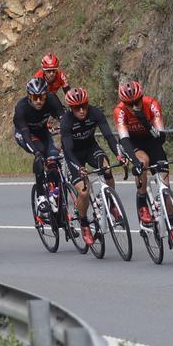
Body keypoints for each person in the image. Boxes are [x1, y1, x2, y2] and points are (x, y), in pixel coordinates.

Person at [112, 80, 173, 245]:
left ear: (142, 97)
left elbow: (161, 138)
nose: (134, 106)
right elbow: (124, 141)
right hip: (134, 144)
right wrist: (135, 163)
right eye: (129, 103)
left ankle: (172, 227)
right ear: (123, 103)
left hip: (152, 142)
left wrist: (144, 120)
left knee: (165, 187)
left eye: (137, 101)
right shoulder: (119, 111)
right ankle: (142, 202)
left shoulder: (152, 104)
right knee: (144, 162)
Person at [60, 87, 126, 246]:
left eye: (84, 106)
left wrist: (119, 154)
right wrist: (78, 167)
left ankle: (110, 205)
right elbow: (68, 150)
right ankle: (84, 224)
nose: (82, 110)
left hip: (91, 148)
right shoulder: (66, 121)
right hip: (74, 155)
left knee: (107, 168)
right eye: (77, 108)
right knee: (83, 192)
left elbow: (109, 136)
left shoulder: (95, 113)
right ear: (71, 108)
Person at [12, 77, 66, 218]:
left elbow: (65, 120)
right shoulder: (21, 108)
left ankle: (59, 210)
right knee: (40, 152)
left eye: (41, 97)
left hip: (42, 131)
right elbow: (25, 134)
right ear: (29, 96)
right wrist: (36, 153)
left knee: (53, 160)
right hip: (25, 134)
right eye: (34, 97)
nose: (38, 101)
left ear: (46, 95)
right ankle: (41, 196)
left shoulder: (52, 99)